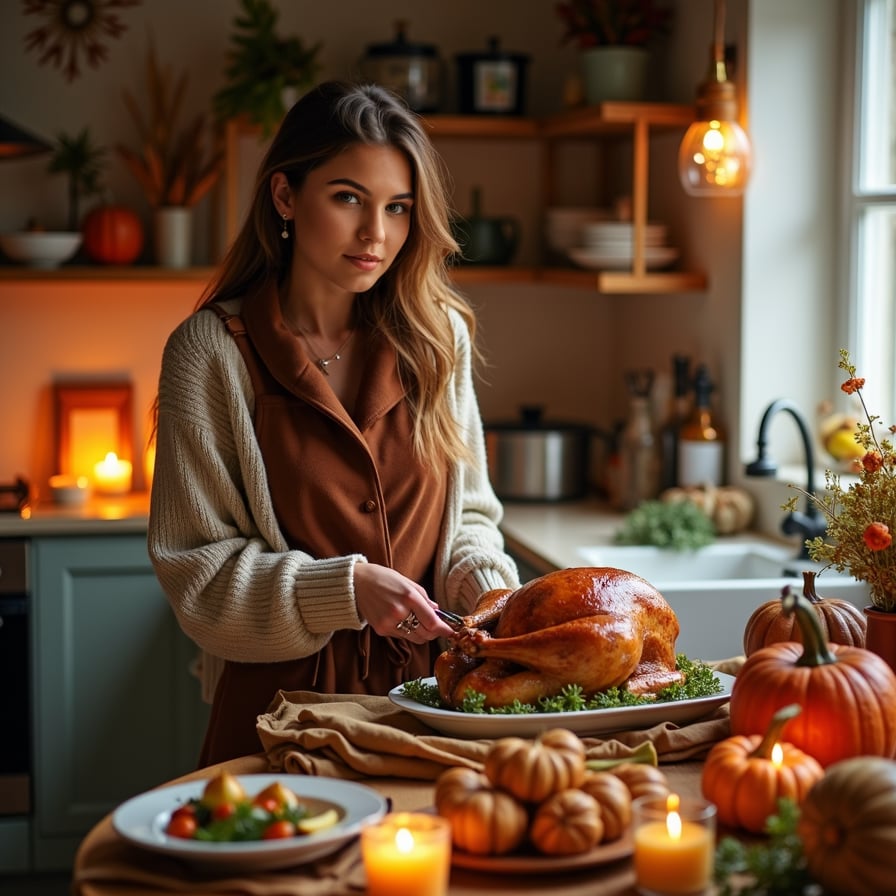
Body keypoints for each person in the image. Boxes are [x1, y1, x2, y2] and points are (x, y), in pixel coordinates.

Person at [147, 80, 520, 765]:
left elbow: (468, 520)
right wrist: (345, 589)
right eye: (348, 197)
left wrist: (490, 595)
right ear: (286, 197)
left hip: (440, 706)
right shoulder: (210, 353)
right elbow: (196, 573)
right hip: (282, 718)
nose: (376, 234)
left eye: (398, 208)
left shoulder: (438, 340)